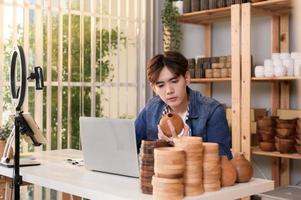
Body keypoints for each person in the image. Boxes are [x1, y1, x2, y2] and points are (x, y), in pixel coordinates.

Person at [135, 51, 232, 159]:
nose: (169, 91)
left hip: (195, 176)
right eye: (161, 85)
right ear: (154, 88)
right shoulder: (151, 108)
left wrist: (186, 147)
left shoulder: (212, 111)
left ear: (186, 78)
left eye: (174, 81)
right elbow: (129, 145)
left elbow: (223, 160)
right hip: (160, 175)